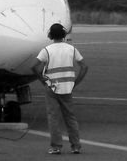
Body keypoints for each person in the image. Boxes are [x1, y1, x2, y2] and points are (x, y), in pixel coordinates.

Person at [31, 23, 88, 155]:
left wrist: (44, 81)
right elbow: (84, 67)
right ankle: (76, 146)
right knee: (70, 118)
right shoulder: (71, 49)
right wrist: (75, 82)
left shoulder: (46, 50)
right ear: (64, 35)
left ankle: (56, 146)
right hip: (67, 88)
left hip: (52, 87)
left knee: (53, 118)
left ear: (50, 35)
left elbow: (34, 67)